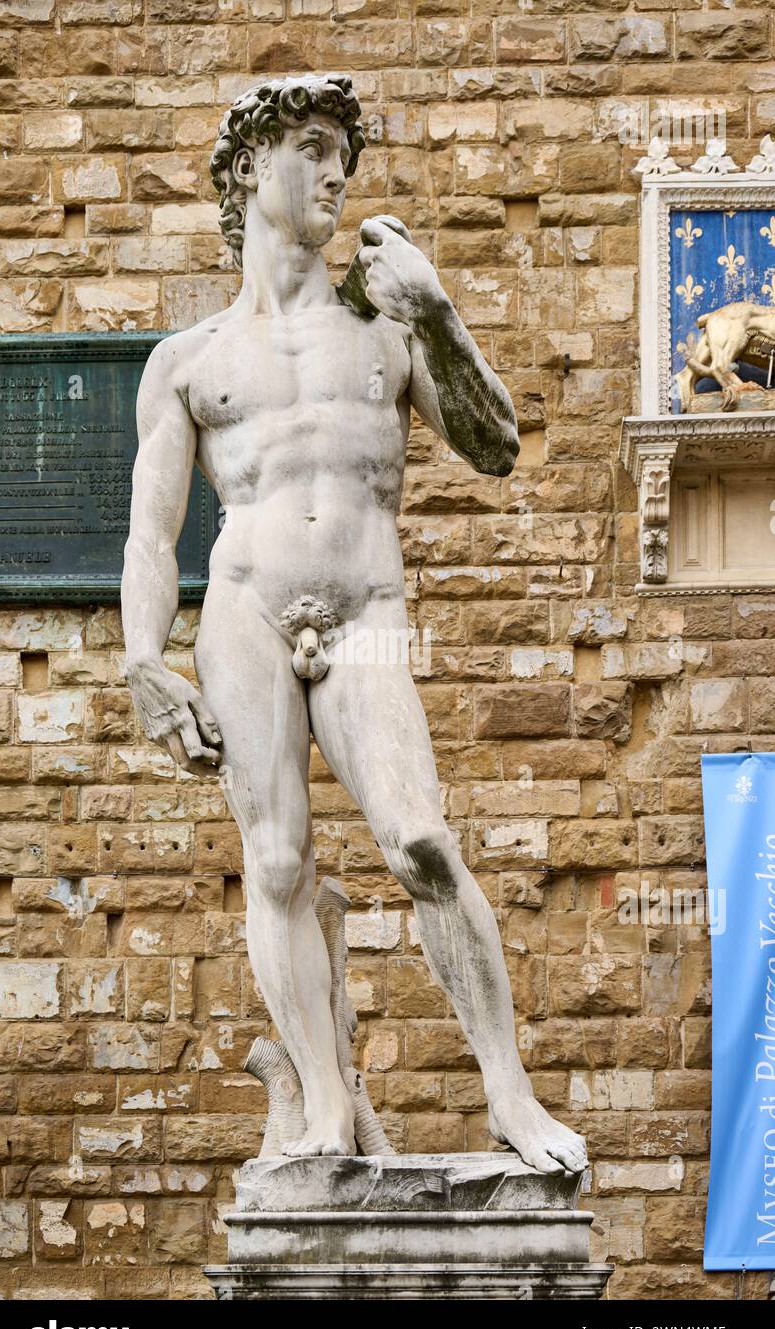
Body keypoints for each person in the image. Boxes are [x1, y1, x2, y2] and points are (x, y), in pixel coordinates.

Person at [121, 73, 587, 1173]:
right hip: (241, 611)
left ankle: (508, 1095)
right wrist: (143, 658)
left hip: (365, 613)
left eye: (345, 153)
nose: (336, 173)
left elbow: (495, 443)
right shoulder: (186, 363)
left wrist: (436, 308)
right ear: (250, 169)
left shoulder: (385, 328)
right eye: (316, 149)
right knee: (276, 861)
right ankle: (325, 1105)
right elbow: (150, 539)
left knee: (418, 838)